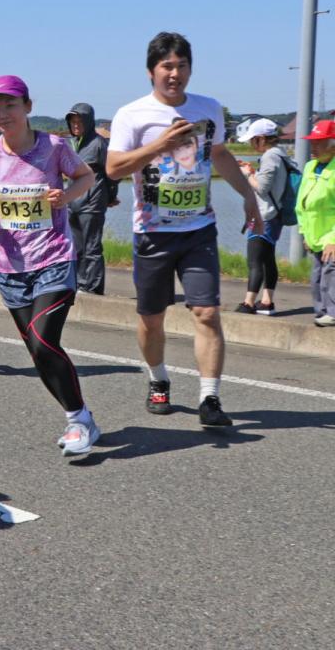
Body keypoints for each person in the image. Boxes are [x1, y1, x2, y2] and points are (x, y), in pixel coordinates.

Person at [106, 32, 263, 426]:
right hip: (152, 233)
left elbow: (221, 154)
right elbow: (113, 169)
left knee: (207, 312)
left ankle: (210, 398)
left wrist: (248, 196)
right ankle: (158, 380)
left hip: (199, 229)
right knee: (151, 317)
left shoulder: (208, 109)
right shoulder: (132, 115)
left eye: (182, 66)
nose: (175, 74)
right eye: (167, 67)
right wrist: (160, 145)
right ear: (151, 72)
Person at [0, 76, 100, 455]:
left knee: (44, 343)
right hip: (10, 266)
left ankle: (77, 421)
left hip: (54, 258)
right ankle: (83, 418)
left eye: (10, 105)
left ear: (28, 106)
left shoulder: (54, 147)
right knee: (37, 352)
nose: (2, 113)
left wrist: (66, 197)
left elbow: (86, 176)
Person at [235, 118, 293, 315]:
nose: (251, 144)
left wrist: (246, 174)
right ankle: (267, 301)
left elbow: (261, 188)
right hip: (274, 216)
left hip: (265, 217)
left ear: (261, 139)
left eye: (253, 139)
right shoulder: (279, 154)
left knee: (255, 260)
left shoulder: (270, 157)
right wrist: (253, 172)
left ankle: (248, 303)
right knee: (268, 259)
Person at [65, 103, 119, 295]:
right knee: (77, 247)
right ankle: (80, 284)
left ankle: (93, 289)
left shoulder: (99, 144)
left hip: (93, 201)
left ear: (88, 122)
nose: (76, 124)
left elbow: (112, 173)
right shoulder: (70, 144)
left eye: (80, 120)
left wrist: (110, 196)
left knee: (92, 247)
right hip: (72, 203)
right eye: (73, 121)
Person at [296, 119, 335, 326]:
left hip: (331, 235)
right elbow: (301, 204)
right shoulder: (310, 167)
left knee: (331, 273)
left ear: (332, 144)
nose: (313, 147)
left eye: (319, 143)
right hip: (314, 235)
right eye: (312, 142)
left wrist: (333, 239)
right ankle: (321, 313)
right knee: (317, 277)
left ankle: (333, 313)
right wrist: (304, 231)